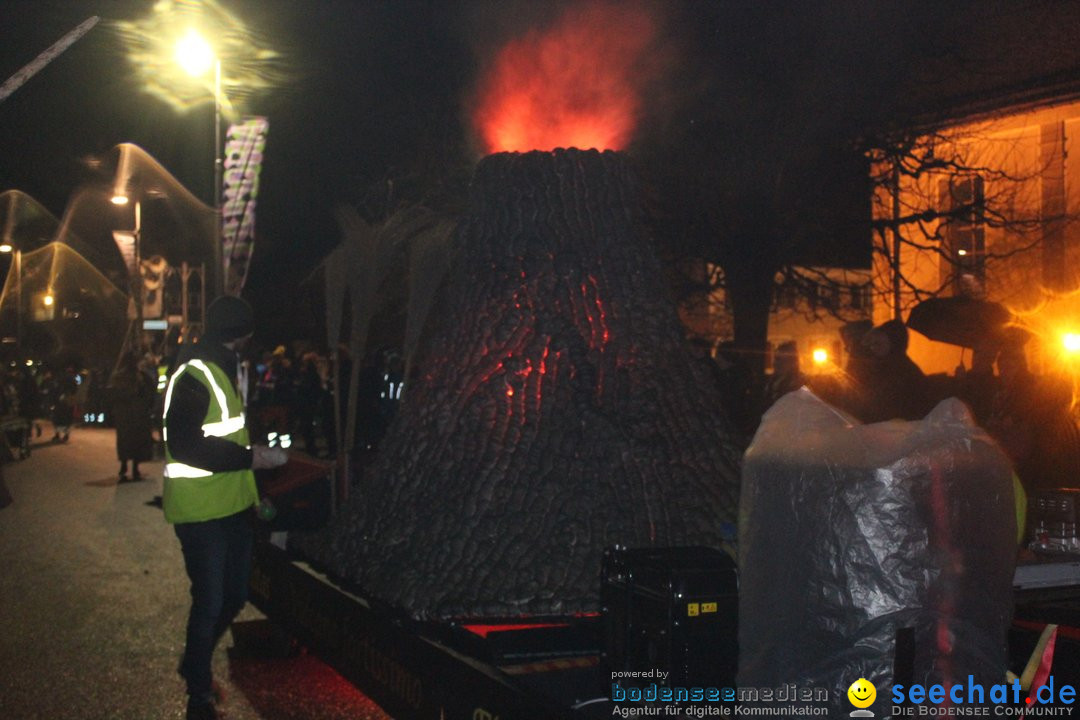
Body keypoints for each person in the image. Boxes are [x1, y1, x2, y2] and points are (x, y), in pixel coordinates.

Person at [162, 295, 288, 720]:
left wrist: (257, 492)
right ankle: (198, 695)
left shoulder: (225, 368)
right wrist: (252, 458)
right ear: (244, 335)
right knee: (211, 601)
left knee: (233, 596)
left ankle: (193, 664)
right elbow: (183, 444)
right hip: (200, 514)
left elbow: (232, 437)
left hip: (233, 507)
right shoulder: (195, 373)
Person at [108, 352, 155, 482]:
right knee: (136, 442)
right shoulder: (141, 377)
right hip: (138, 414)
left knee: (124, 440)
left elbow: (111, 395)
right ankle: (135, 468)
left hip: (123, 415)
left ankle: (123, 466)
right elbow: (150, 394)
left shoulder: (117, 377)